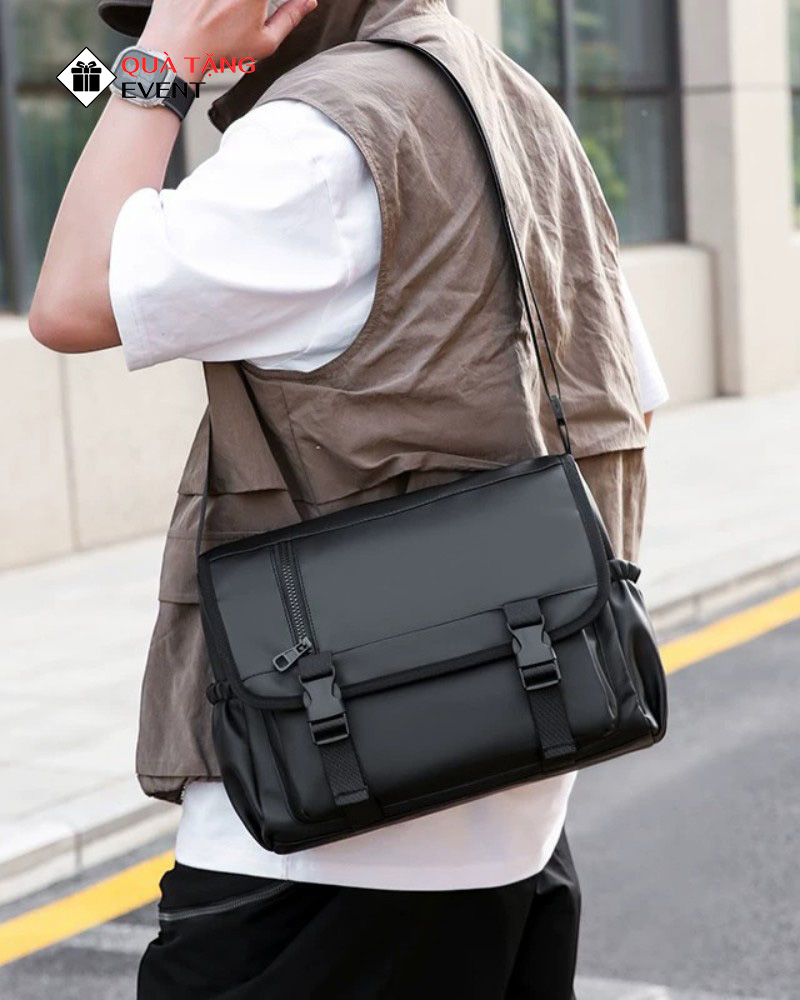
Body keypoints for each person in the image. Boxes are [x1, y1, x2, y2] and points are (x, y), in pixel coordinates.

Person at [30, 0, 669, 996]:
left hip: (325, 830)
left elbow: (69, 296)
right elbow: (622, 393)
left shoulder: (320, 137)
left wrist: (160, 66)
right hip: (516, 813)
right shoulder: (508, 99)